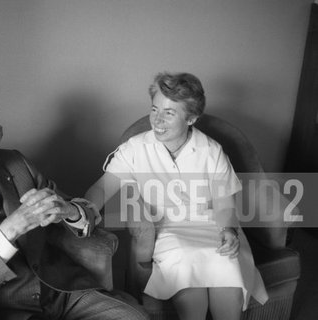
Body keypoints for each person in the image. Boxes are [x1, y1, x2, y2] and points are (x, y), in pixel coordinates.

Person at [0, 93, 149, 320]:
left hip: (62, 291)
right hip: (6, 308)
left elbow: (81, 214)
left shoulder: (16, 163)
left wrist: (69, 211)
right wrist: (9, 229)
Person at [85, 72, 268, 320]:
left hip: (214, 226)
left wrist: (229, 231)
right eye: (154, 109)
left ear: (191, 118)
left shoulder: (211, 151)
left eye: (169, 113)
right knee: (189, 284)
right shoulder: (135, 148)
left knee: (226, 272)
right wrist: (85, 211)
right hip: (169, 230)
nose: (157, 120)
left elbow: (225, 204)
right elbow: (100, 189)